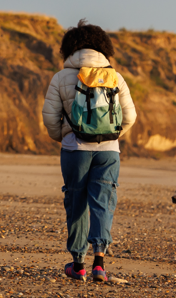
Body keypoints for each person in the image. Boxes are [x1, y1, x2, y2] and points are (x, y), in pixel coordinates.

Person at [42, 19, 137, 282]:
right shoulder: (115, 77)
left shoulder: (61, 77)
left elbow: (50, 119)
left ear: (70, 49)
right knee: (103, 203)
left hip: (75, 150)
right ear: (103, 48)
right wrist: (111, 137)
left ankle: (78, 264)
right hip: (109, 151)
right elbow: (130, 117)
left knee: (76, 202)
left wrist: (65, 137)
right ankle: (99, 264)